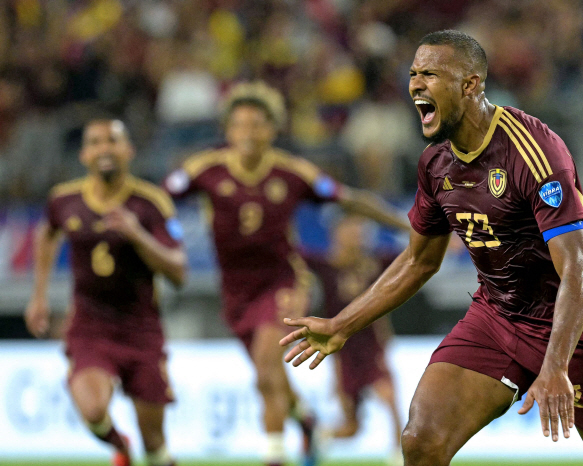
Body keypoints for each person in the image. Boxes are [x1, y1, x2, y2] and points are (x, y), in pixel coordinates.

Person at [280, 30, 583, 466]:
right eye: (414, 74)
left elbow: (578, 269)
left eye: (431, 74)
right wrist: (343, 324)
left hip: (576, 329)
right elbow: (419, 260)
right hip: (497, 317)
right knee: (422, 440)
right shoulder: (435, 163)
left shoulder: (533, 150)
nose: (416, 84)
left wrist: (555, 365)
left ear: (470, 84)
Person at [163, 81, 409, 466]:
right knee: (268, 373)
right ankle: (306, 422)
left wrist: (407, 226)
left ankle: (275, 454)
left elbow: (349, 199)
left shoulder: (291, 172)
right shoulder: (204, 171)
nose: (248, 133)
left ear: (273, 129)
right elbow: (158, 205)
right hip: (235, 291)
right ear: (227, 131)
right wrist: (169, 239)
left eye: (258, 124)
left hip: (283, 280)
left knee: (266, 356)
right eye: (240, 124)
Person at [25, 119, 187, 466]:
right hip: (89, 324)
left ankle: (144, 452)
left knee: (155, 444)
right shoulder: (64, 199)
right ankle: (120, 446)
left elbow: (179, 272)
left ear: (128, 150)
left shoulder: (150, 203)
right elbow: (47, 234)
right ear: (84, 154)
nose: (104, 149)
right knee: (94, 410)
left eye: (112, 141)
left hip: (141, 328)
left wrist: (136, 234)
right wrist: (38, 295)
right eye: (95, 142)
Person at [303, 215, 402, 466]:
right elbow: (292, 254)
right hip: (342, 353)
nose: (358, 236)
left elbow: (413, 256)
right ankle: (319, 436)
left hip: (371, 348)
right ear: (337, 235)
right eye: (352, 231)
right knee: (351, 427)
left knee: (390, 400)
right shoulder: (326, 266)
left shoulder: (376, 264)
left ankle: (398, 456)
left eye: (360, 231)